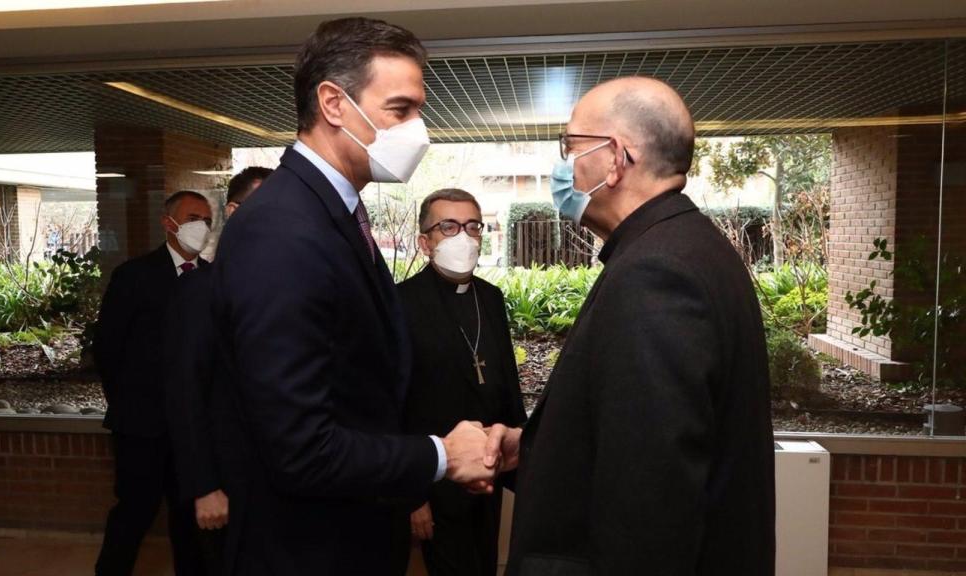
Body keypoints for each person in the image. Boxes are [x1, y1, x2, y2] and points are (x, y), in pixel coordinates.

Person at [209, 17, 496, 576]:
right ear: (334, 104)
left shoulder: (329, 213)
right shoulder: (283, 230)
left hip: (350, 536)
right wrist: (440, 456)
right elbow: (300, 448)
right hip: (305, 549)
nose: (419, 129)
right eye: (400, 109)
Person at [485, 77, 776, 575]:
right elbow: (633, 434)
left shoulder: (655, 274)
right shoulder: (686, 246)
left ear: (615, 158)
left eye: (570, 146)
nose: (563, 165)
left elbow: (650, 503)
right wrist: (532, 449)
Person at [398, 189, 527, 576]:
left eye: (472, 226)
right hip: (436, 480)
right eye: (448, 226)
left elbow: (506, 381)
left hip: (489, 471)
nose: (463, 237)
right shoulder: (400, 303)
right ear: (425, 242)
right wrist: (412, 495)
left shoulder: (490, 297)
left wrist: (521, 457)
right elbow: (395, 407)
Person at [94, 190, 213, 576]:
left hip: (193, 432)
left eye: (208, 220)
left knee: (191, 522)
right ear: (168, 223)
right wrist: (132, 405)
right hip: (141, 428)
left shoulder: (214, 279)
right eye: (194, 217)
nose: (202, 227)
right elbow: (108, 350)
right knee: (133, 513)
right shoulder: (134, 276)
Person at [163, 167, 272, 575]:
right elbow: (185, 394)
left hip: (280, 483)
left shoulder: (289, 285)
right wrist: (205, 486)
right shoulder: (198, 292)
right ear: (234, 211)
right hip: (226, 484)